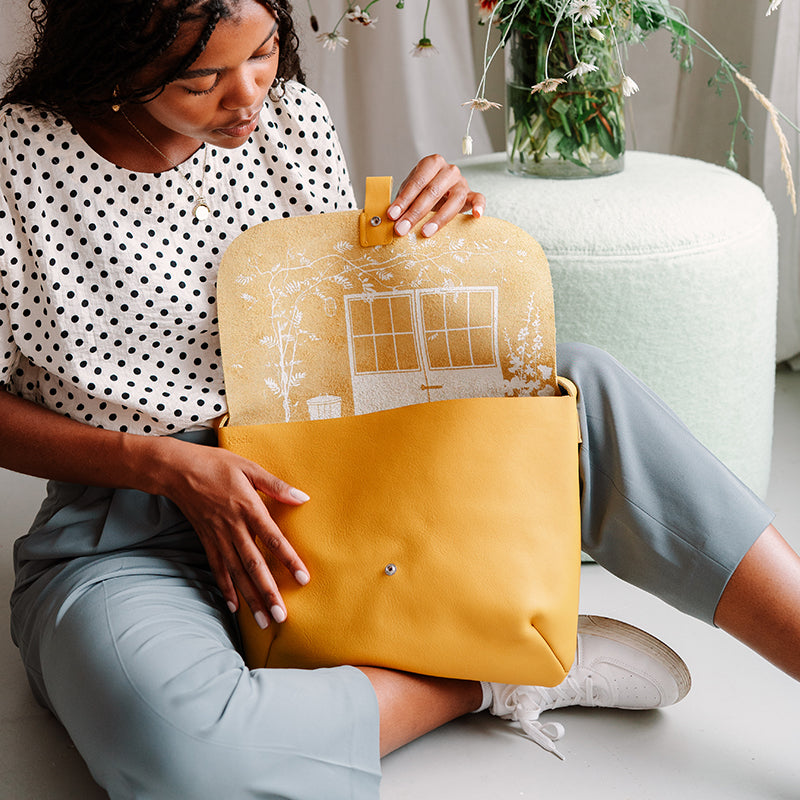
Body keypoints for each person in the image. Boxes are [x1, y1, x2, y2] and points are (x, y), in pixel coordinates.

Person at [1, 0, 798, 797]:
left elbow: (335, 328)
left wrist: (429, 240)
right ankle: (499, 673)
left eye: (265, 52)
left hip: (333, 480)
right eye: (201, 80)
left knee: (575, 382)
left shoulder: (288, 116)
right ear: (113, 59)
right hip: (125, 530)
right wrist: (163, 465)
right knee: (187, 757)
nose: (247, 95)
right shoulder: (15, 165)